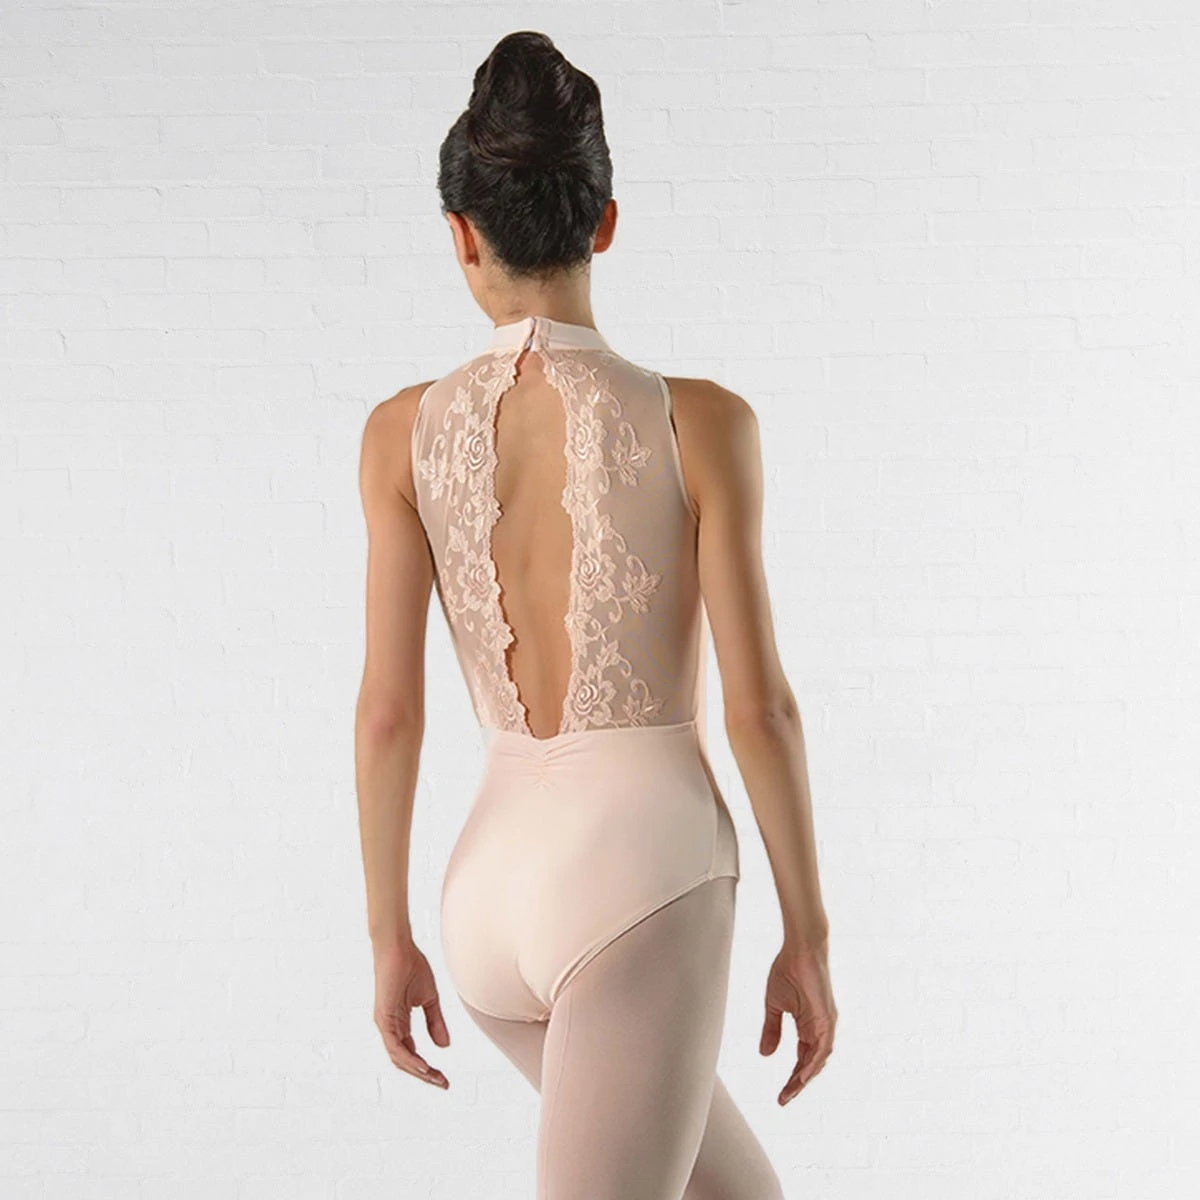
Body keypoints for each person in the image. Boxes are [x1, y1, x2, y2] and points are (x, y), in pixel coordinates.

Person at [354, 30, 836, 1200]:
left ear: (461, 236)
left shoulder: (399, 434)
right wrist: (808, 934)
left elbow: (387, 717)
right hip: (641, 879)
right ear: (605, 222)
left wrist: (389, 938)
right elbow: (761, 711)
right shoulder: (702, 423)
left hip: (486, 894)